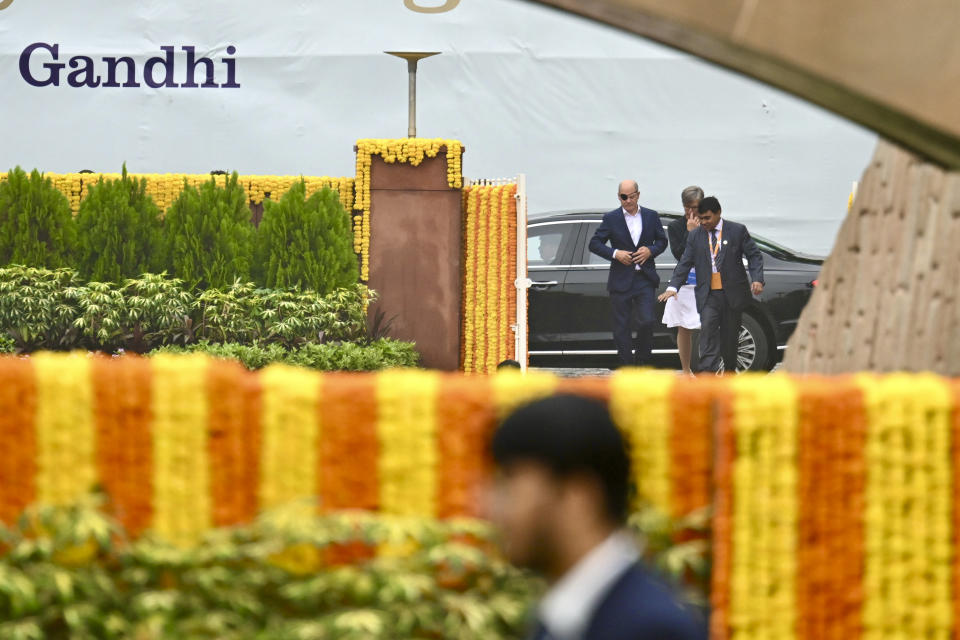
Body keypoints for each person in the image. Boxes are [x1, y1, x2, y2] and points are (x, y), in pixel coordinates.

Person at [489, 394, 707, 640]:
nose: (492, 508)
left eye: (510, 483)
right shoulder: (563, 614)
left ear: (577, 497)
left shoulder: (652, 628)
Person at [658, 196, 763, 373]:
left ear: (718, 213)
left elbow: (754, 255)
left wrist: (757, 278)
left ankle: (729, 374)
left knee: (729, 339)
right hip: (708, 295)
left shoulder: (736, 230)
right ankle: (707, 376)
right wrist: (673, 287)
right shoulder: (695, 235)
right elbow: (685, 262)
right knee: (708, 333)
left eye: (707, 218)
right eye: (701, 218)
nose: (704, 222)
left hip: (732, 294)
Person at [588, 180, 667, 367]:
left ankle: (642, 362)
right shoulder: (611, 218)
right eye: (624, 197)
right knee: (621, 326)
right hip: (620, 278)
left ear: (638, 195)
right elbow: (594, 243)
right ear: (618, 197)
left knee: (647, 321)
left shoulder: (651, 216)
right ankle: (626, 365)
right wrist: (616, 254)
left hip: (644, 278)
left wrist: (650, 250)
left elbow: (662, 242)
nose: (628, 200)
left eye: (631, 196)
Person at [663, 186, 704, 375]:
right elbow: (680, 254)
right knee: (684, 327)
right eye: (687, 207)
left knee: (708, 325)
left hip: (706, 281)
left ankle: (707, 368)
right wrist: (689, 232)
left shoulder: (709, 223)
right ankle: (686, 370)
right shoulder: (676, 227)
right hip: (686, 282)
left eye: (695, 207)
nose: (691, 211)